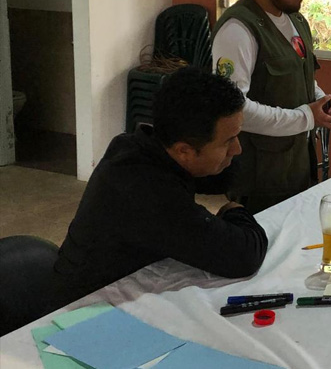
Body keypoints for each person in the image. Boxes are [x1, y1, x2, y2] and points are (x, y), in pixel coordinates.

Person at [53, 68, 268, 306]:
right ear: (184, 151)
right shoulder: (146, 193)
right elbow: (243, 256)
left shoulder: (139, 144)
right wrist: (233, 210)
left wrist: (224, 159)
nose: (237, 149)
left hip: (123, 287)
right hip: (84, 310)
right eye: (228, 141)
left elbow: (225, 176)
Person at [211, 0, 331, 213]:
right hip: (259, 180)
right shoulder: (238, 29)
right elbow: (235, 110)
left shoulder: (295, 22)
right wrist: (305, 117)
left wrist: (321, 100)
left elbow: (300, 78)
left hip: (297, 170)